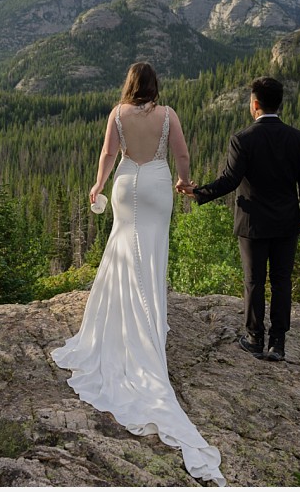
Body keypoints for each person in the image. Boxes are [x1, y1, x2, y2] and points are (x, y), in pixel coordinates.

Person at [51, 62, 226, 487]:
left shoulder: (117, 114)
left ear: (130, 86)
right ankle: (151, 323)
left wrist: (97, 185)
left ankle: (123, 320)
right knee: (152, 253)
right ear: (155, 87)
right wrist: (186, 183)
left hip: (127, 185)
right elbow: (182, 155)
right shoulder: (169, 116)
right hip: (157, 186)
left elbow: (109, 154)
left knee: (122, 247)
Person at [177, 76, 300, 363]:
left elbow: (230, 180)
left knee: (253, 281)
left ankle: (254, 338)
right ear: (279, 104)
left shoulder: (243, 139)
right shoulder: (299, 139)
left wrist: (198, 192)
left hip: (252, 223)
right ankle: (278, 343)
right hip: (287, 222)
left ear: (255, 105)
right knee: (281, 281)